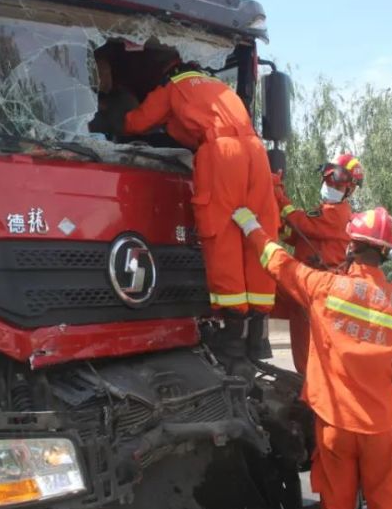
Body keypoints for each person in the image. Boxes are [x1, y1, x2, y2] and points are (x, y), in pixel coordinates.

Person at [231, 205, 392, 509]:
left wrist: (251, 226)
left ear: (351, 246)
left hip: (335, 427)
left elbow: (279, 263)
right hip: (381, 430)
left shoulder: (325, 287)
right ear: (386, 252)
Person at [105, 50, 280, 374]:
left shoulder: (173, 88)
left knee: (222, 235)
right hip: (256, 154)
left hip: (220, 154)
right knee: (256, 234)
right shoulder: (221, 89)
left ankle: (231, 342)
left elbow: (136, 122)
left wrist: (110, 113)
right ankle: (257, 337)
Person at [272, 153, 363, 373]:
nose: (329, 185)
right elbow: (296, 234)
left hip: (316, 290)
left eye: (336, 182)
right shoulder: (326, 213)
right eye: (328, 179)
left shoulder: (336, 214)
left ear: (349, 189)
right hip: (308, 287)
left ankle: (311, 394)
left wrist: (276, 189)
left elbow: (298, 222)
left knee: (307, 353)